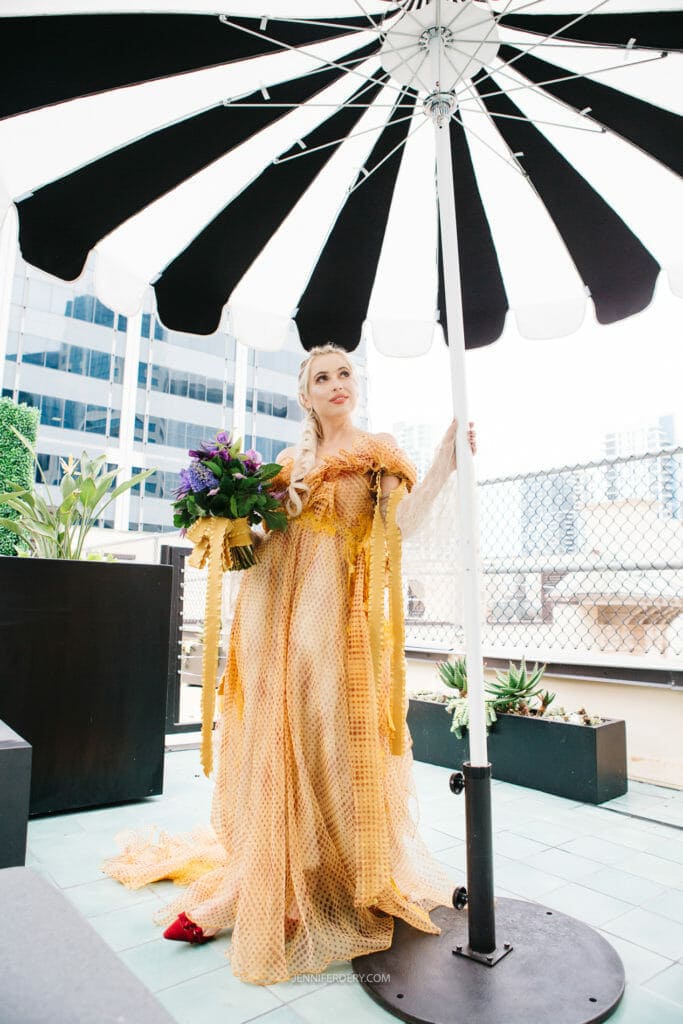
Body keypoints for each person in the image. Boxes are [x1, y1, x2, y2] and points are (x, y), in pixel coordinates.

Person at [103, 343, 477, 986]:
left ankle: (333, 886)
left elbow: (403, 526)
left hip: (342, 626)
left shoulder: (379, 452)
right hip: (281, 629)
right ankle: (263, 890)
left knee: (336, 750)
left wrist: (446, 459)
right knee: (280, 750)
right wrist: (230, 521)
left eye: (344, 375)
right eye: (322, 378)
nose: (336, 385)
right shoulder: (284, 465)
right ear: (305, 395)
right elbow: (266, 547)